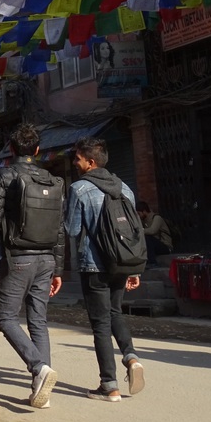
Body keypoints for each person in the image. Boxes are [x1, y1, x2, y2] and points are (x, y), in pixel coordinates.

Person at [0, 123, 66, 409]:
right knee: (38, 321)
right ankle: (43, 390)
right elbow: (60, 228)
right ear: (37, 150)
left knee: (6, 318)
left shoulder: (3, 177)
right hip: (46, 259)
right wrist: (58, 269)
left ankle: (39, 368)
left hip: (18, 258)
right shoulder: (52, 180)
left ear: (12, 149)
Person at [65, 136, 145, 402]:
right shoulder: (125, 189)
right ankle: (131, 357)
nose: (74, 163)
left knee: (100, 324)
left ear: (90, 162)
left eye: (77, 158)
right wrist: (133, 270)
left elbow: (73, 230)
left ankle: (109, 385)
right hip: (122, 263)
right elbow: (132, 233)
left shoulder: (79, 189)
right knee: (115, 312)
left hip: (94, 265)